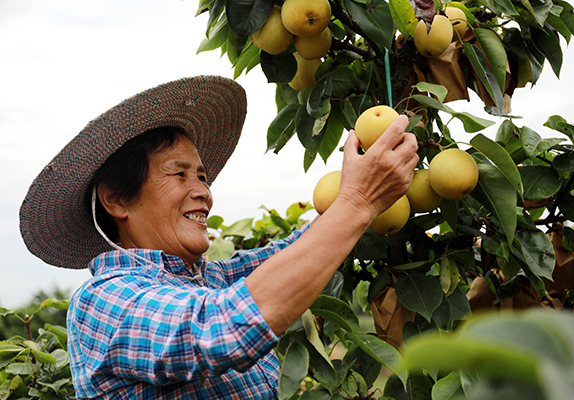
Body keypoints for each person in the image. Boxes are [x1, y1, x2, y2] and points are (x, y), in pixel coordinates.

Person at [20, 75, 419, 399]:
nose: (203, 193)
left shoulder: (205, 281)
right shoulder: (105, 300)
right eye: (179, 174)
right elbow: (220, 330)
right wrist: (356, 201)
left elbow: (293, 253)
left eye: (202, 177)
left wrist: (367, 195)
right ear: (117, 199)